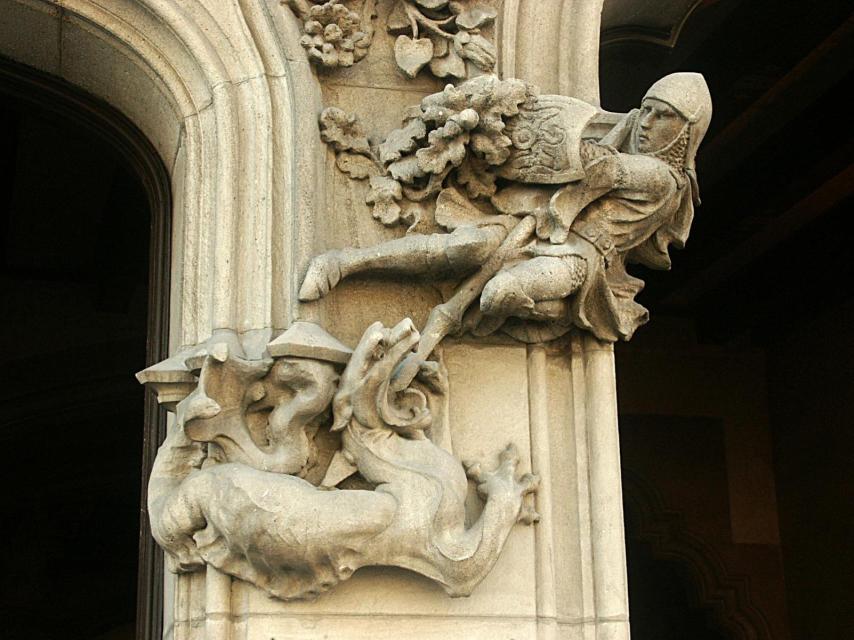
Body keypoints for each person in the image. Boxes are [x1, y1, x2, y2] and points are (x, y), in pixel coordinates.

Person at [299, 72, 712, 344]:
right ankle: (343, 263)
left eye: (663, 117)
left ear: (685, 132)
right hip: (531, 222)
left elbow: (604, 170)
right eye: (647, 109)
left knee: (501, 292)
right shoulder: (631, 136)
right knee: (457, 249)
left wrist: (561, 182)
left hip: (579, 257)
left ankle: (533, 313)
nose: (646, 120)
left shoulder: (663, 178)